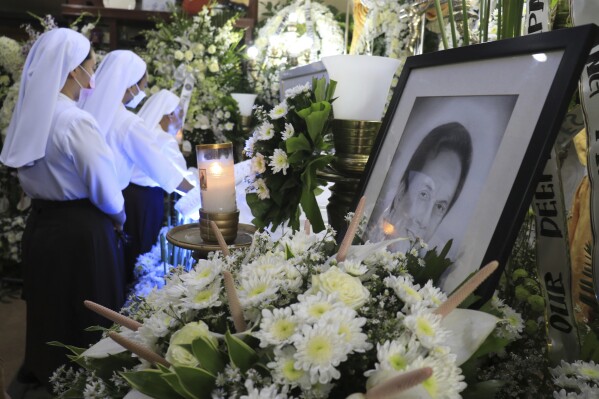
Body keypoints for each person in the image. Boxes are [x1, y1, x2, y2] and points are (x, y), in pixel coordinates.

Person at [0, 28, 126, 390]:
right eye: (91, 63)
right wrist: (119, 217)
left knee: (50, 308)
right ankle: (86, 385)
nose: (95, 70)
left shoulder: (32, 114)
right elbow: (104, 188)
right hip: (82, 229)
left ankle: (47, 373)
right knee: (86, 314)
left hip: (42, 225)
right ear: (74, 69)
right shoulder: (75, 120)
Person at [79, 50, 193, 284]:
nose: (141, 92)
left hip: (86, 207)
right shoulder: (127, 122)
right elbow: (163, 170)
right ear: (129, 84)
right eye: (141, 85)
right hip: (113, 205)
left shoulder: (88, 111)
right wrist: (200, 194)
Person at [366, 122, 472, 250]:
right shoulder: (366, 230)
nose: (424, 222)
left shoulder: (433, 265)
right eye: (424, 194)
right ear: (401, 192)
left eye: (439, 207)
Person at [124, 89, 190, 276]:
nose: (181, 123)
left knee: (130, 248)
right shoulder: (163, 138)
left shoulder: (147, 132)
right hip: (146, 200)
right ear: (170, 115)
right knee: (142, 249)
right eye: (181, 116)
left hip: (130, 196)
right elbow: (179, 175)